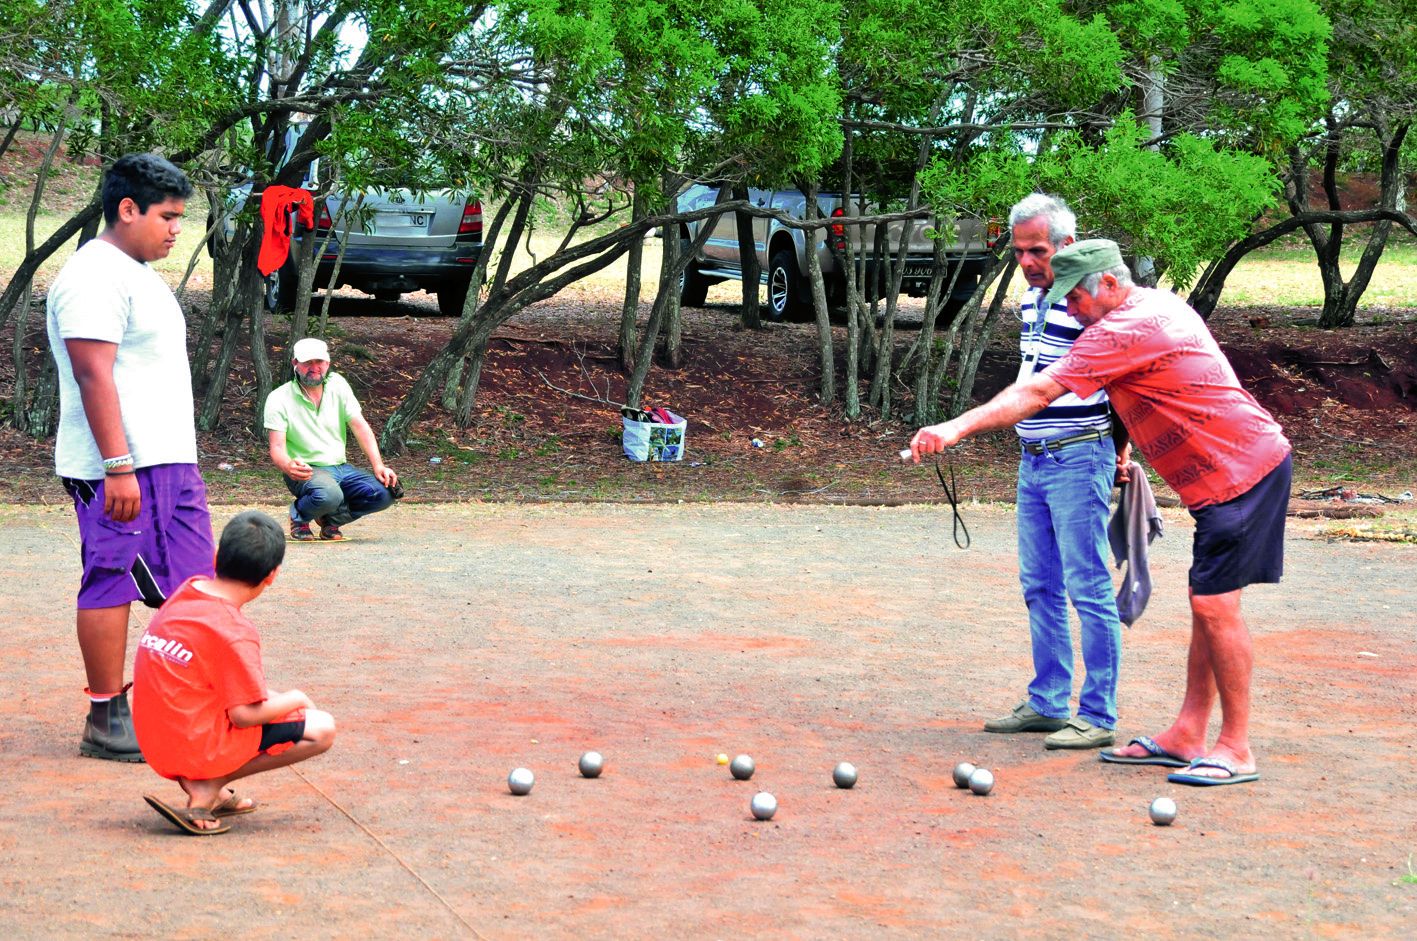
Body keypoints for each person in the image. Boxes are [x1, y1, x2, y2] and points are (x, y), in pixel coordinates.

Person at [911, 239, 1291, 787]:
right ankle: (1187, 733)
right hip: (1230, 475)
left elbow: (1039, 392)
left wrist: (954, 428)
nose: (1068, 312)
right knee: (1206, 605)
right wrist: (1119, 447)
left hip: (1242, 474)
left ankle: (1235, 747)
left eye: (1075, 300)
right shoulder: (1156, 305)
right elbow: (1140, 389)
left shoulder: (1120, 330)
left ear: (1110, 284)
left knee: (1214, 607)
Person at [47, 152, 215, 762]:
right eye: (168, 217)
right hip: (121, 466)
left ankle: (170, 704)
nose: (177, 229)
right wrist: (118, 467)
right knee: (111, 580)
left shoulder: (138, 273)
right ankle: (105, 715)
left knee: (197, 583)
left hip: (171, 460)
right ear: (127, 209)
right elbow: (94, 375)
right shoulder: (93, 276)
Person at [981, 194, 1128, 751]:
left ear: (1068, 246)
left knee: (1086, 586)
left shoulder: (1090, 300)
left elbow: (1125, 381)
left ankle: (1098, 714)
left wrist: (1118, 451)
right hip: (1034, 459)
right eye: (1018, 252)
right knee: (1039, 585)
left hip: (1078, 456)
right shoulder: (1030, 301)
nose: (1026, 262)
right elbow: (1030, 380)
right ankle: (1047, 702)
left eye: (1037, 250)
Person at [132, 511, 336, 834]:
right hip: (192, 746)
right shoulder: (234, 631)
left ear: (216, 558)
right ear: (272, 575)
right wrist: (298, 697)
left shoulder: (188, 590)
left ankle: (211, 783)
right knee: (322, 727)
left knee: (269, 699)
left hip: (154, 743)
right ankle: (210, 784)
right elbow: (243, 714)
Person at [263, 337, 399, 540]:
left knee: (386, 493)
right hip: (307, 469)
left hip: (340, 468)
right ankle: (299, 516)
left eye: (320, 362)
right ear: (295, 364)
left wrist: (379, 465)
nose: (314, 367)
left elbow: (360, 427)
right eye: (307, 362)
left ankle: (331, 521)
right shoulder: (278, 398)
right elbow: (276, 447)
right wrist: (288, 466)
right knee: (329, 494)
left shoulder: (338, 385)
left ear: (328, 363)